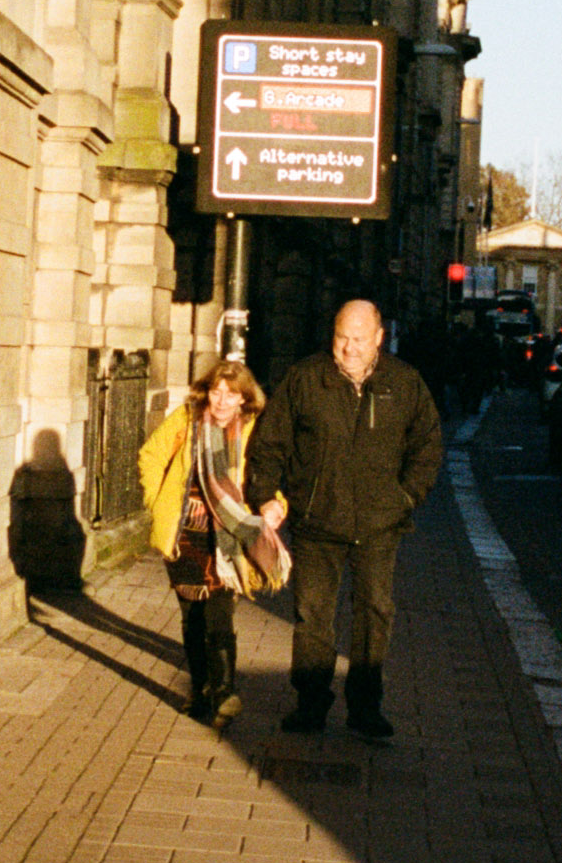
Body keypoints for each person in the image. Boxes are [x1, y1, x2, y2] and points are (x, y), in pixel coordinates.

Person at [247, 298, 445, 740]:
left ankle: (365, 707)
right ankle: (312, 703)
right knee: (313, 615)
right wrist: (266, 497)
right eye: (341, 338)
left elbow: (428, 447)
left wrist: (405, 498)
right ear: (331, 336)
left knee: (375, 612)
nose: (349, 348)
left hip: (379, 525)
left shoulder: (405, 383)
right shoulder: (305, 379)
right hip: (317, 521)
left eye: (359, 339)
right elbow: (270, 442)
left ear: (379, 338)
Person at [137, 358, 283, 724]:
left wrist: (276, 505)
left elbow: (271, 473)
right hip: (186, 534)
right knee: (192, 618)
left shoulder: (255, 430)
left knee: (219, 613)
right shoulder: (187, 419)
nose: (221, 401)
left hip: (228, 536)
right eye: (216, 392)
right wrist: (159, 504)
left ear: (244, 399)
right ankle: (201, 692)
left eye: (230, 394)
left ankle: (223, 693)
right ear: (206, 392)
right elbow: (150, 456)